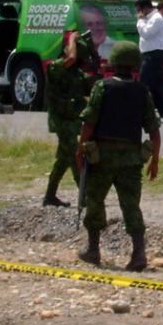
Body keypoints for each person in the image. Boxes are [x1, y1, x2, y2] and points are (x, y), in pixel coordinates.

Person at [75, 41, 161, 272]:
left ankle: (93, 249)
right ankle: (138, 253)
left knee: (95, 201)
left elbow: (89, 122)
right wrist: (155, 160)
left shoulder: (102, 88)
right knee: (131, 206)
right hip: (131, 161)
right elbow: (154, 130)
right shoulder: (142, 91)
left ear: (112, 62)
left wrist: (81, 149)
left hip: (101, 158)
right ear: (135, 65)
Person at [42, 31, 98, 208]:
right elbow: (71, 58)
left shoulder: (77, 74)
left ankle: (50, 196)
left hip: (72, 121)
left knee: (63, 160)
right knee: (75, 157)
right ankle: (85, 197)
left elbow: (92, 82)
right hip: (61, 121)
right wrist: (72, 38)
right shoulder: (55, 67)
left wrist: (94, 53)